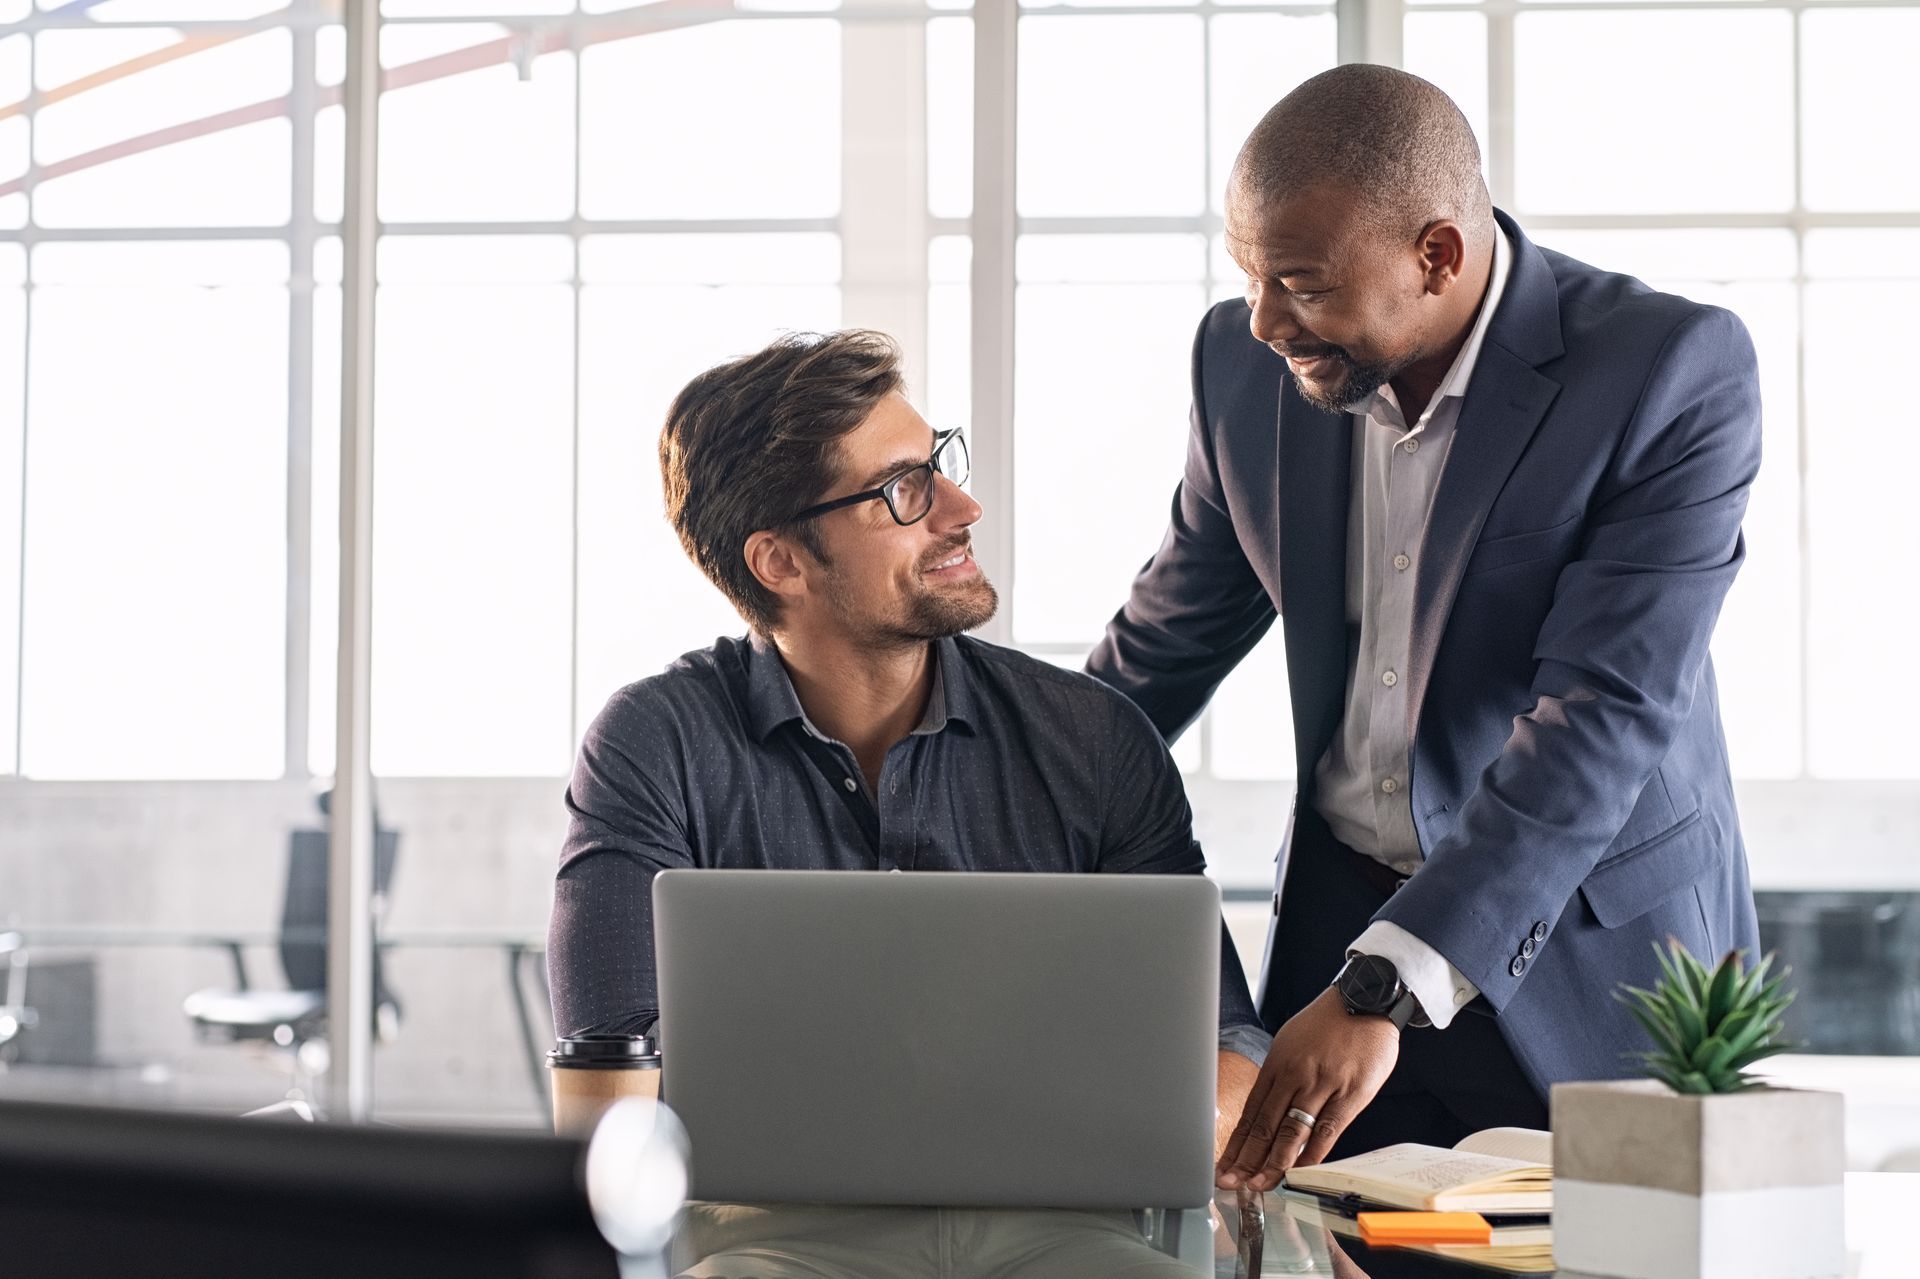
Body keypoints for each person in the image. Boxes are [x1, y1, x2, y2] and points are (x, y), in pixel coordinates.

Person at [1085, 64, 1763, 1191]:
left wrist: (1386, 986)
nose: (1262, 321)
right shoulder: (1241, 367)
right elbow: (1160, 647)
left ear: (1437, 256)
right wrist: (972, 782)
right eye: (1250, 277)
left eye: (1298, 284)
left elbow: (1603, 712)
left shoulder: (1666, 370)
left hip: (1591, 952)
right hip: (1333, 935)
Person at [548, 329, 1270, 1158]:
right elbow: (614, 1071)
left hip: (1058, 1225)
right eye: (902, 490)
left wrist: (1182, 1126)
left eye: (941, 465)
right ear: (780, 561)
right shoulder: (653, 747)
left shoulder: (1096, 739)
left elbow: (1226, 1040)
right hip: (774, 1240)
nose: (963, 510)